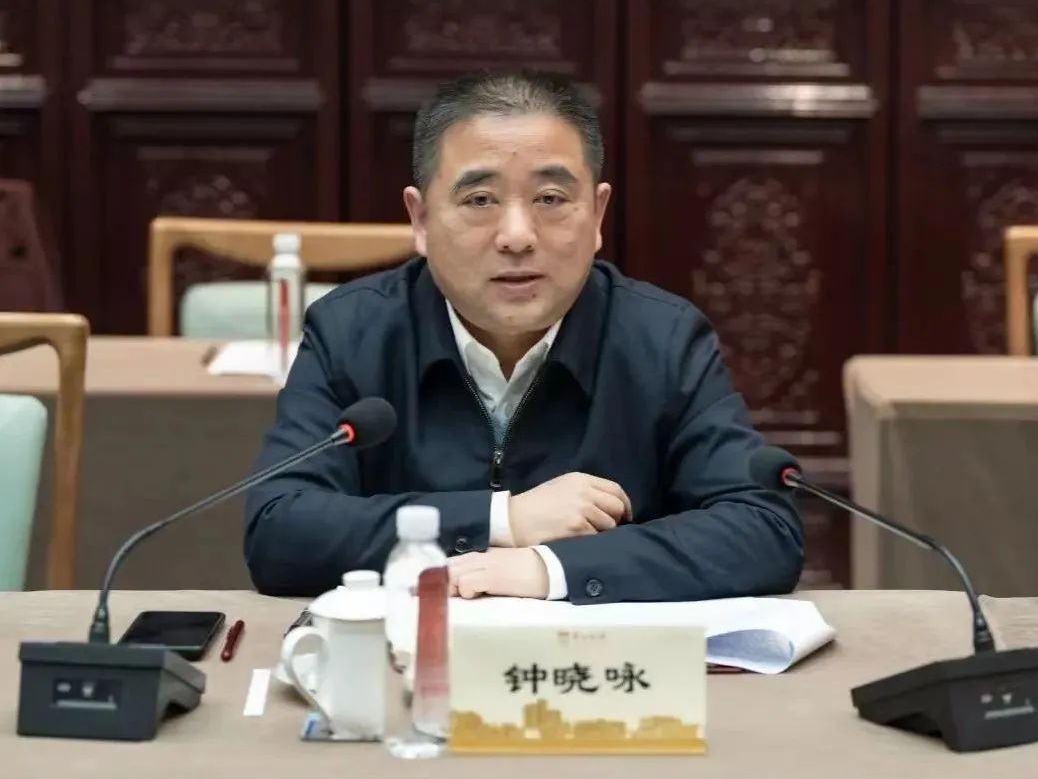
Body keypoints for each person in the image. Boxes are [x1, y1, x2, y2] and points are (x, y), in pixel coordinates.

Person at [244, 70, 803, 603]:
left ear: (597, 214)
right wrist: (502, 520)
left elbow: (764, 529)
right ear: (421, 219)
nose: (517, 236)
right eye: (480, 200)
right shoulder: (352, 332)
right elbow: (279, 528)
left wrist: (549, 568)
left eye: (551, 199)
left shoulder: (662, 339)